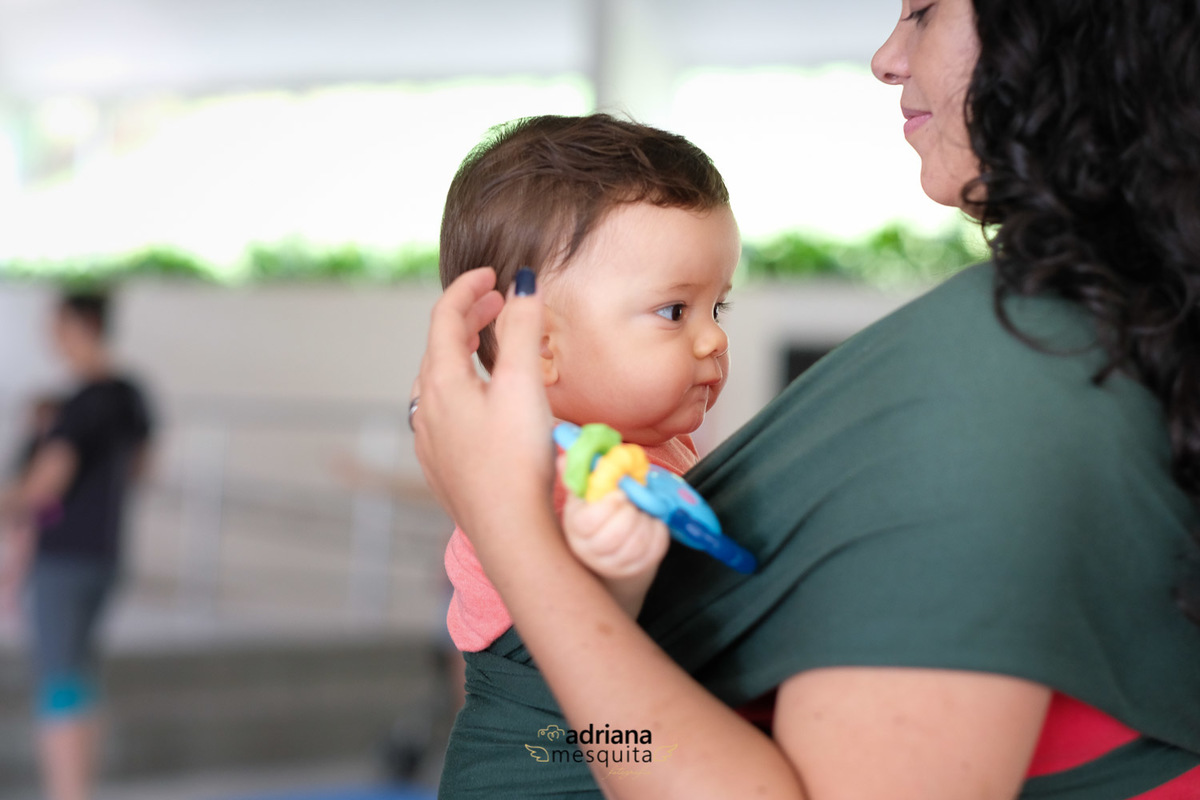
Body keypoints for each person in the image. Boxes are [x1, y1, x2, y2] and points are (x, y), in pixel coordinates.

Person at [411, 0, 1200, 797]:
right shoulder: (1121, 338)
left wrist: (505, 524)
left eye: (924, 12)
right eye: (672, 311)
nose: (886, 56)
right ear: (537, 344)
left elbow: (594, 701)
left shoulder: (1010, 373)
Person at [0, 291, 154, 800]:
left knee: (61, 679)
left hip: (64, 558)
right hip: (104, 556)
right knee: (80, 676)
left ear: (77, 326)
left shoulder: (82, 404)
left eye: (55, 327)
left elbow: (42, 489)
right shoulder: (132, 395)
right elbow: (141, 469)